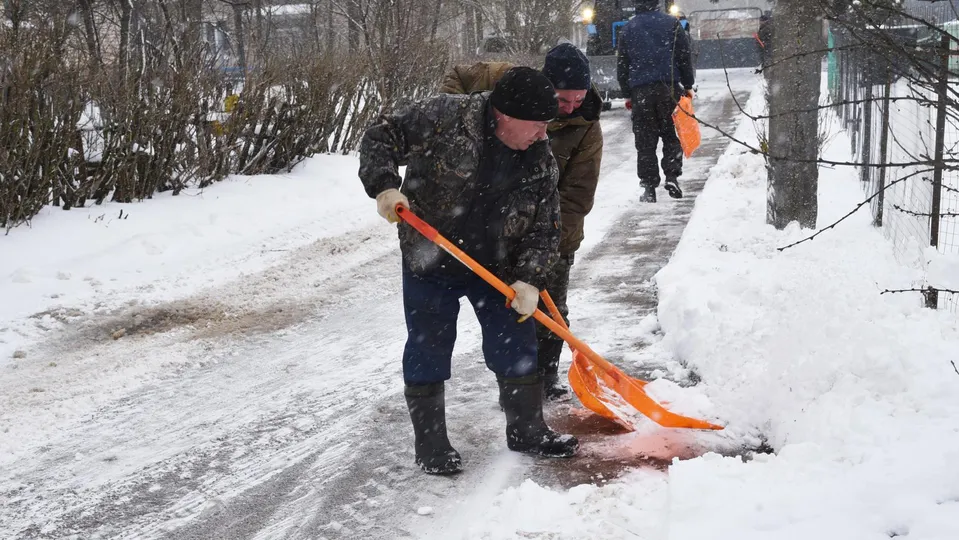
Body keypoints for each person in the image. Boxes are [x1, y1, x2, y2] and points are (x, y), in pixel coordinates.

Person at [358, 67, 580, 475]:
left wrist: (529, 279)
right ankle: (431, 443)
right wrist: (385, 184)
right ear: (506, 115)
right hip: (432, 256)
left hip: (496, 265)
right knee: (429, 344)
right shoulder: (444, 116)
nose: (542, 134)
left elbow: (546, 226)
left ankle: (527, 430)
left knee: (516, 339)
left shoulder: (538, 158)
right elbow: (380, 134)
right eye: (537, 125)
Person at [439, 43, 603, 402]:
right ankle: (516, 387)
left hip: (555, 228)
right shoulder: (508, 82)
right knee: (507, 313)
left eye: (578, 99)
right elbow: (459, 75)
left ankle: (544, 378)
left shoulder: (586, 126)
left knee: (550, 309)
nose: (571, 107)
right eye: (563, 100)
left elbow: (577, 196)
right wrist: (462, 122)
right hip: (493, 225)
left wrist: (544, 249)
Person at [617, 0, 695, 203]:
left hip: (641, 91)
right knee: (671, 135)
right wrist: (687, 84)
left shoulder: (628, 28)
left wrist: (627, 93)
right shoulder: (672, 23)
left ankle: (649, 187)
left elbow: (623, 64)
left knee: (645, 141)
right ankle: (672, 176)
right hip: (668, 88)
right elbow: (684, 56)